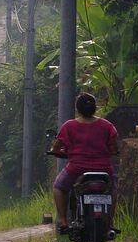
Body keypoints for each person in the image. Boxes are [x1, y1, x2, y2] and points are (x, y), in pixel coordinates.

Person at [51, 93, 118, 233]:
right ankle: (110, 222)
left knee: (59, 187)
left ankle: (63, 220)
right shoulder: (107, 125)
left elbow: (57, 147)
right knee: (112, 190)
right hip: (104, 169)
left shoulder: (69, 126)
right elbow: (114, 148)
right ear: (95, 107)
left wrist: (58, 151)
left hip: (77, 168)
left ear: (78, 109)